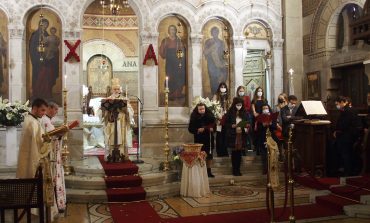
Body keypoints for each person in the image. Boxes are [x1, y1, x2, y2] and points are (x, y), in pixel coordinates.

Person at [16, 98, 56, 216]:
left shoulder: (30, 119)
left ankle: (28, 209)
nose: (44, 113)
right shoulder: (32, 123)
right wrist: (48, 142)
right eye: (42, 110)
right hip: (34, 159)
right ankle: (33, 210)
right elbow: (38, 145)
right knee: (33, 185)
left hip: (27, 158)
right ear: (34, 108)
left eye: (45, 110)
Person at [40, 101, 66, 214]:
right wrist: (59, 135)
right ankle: (52, 204)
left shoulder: (47, 120)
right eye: (55, 110)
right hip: (50, 155)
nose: (56, 113)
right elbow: (47, 138)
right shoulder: (45, 120)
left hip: (52, 154)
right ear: (50, 108)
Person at [102, 78, 135, 161]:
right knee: (112, 136)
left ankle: (122, 154)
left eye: (117, 89)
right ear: (112, 90)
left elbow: (131, 111)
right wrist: (105, 112)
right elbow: (102, 111)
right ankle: (110, 154)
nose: (116, 91)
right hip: (112, 121)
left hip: (122, 121)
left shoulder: (124, 99)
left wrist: (127, 110)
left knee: (121, 137)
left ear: (120, 90)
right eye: (114, 89)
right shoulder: (108, 99)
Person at [333, 96, 362, 176]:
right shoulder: (347, 110)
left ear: (342, 102)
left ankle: (347, 171)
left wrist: (337, 132)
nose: (337, 106)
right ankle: (345, 169)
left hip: (348, 136)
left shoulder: (348, 111)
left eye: (337, 104)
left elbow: (344, 125)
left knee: (345, 152)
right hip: (348, 135)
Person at [188, 103, 216, 177]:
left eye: (203, 109)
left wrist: (211, 129)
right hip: (199, 139)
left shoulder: (210, 115)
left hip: (208, 138)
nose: (202, 110)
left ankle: (209, 171)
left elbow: (215, 126)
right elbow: (190, 129)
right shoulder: (194, 117)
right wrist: (197, 130)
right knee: (200, 155)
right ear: (197, 110)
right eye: (200, 109)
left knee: (209, 155)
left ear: (205, 108)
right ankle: (201, 171)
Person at [159, 25, 186, 100]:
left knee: (178, 76)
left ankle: (177, 93)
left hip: (178, 60)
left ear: (176, 31)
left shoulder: (179, 40)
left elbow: (182, 50)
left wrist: (181, 52)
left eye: (174, 29)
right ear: (168, 31)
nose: (172, 31)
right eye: (171, 29)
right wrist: (165, 50)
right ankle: (170, 94)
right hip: (170, 61)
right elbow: (162, 51)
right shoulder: (165, 40)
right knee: (169, 75)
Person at [225, 97, 250, 176]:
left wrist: (246, 125)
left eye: (240, 105)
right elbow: (226, 123)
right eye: (237, 105)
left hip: (241, 135)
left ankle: (238, 170)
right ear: (234, 104)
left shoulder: (245, 112)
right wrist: (231, 125)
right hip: (233, 135)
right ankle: (234, 169)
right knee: (234, 153)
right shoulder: (230, 112)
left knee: (239, 154)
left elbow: (248, 122)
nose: (239, 106)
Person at [254, 103, 278, 174]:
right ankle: (265, 169)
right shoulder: (259, 117)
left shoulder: (272, 116)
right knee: (264, 155)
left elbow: (275, 127)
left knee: (272, 154)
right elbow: (257, 129)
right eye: (263, 108)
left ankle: (272, 169)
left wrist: (270, 124)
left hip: (271, 137)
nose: (265, 110)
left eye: (266, 108)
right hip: (262, 137)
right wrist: (263, 125)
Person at [204, 26, 227, 95]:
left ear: (218, 33)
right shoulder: (208, 41)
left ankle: (221, 93)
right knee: (213, 78)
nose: (215, 33)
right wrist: (213, 46)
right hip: (212, 63)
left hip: (220, 63)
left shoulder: (221, 42)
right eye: (213, 32)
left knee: (222, 77)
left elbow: (224, 53)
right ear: (211, 33)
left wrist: (225, 56)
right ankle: (214, 93)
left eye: (216, 32)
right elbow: (205, 52)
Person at [212, 82, 229, 157]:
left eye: (224, 87)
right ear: (219, 88)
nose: (223, 88)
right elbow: (213, 107)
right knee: (219, 135)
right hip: (219, 118)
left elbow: (230, 106)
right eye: (221, 87)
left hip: (226, 118)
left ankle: (225, 151)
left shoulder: (227, 96)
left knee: (225, 135)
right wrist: (218, 115)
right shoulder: (216, 96)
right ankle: (219, 151)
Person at [251, 87, 268, 155]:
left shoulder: (264, 100)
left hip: (263, 118)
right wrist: (255, 113)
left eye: (261, 91)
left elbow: (266, 109)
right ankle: (257, 148)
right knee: (256, 134)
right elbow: (253, 109)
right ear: (256, 92)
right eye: (258, 91)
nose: (260, 92)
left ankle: (262, 148)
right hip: (256, 118)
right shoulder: (254, 100)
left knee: (262, 134)